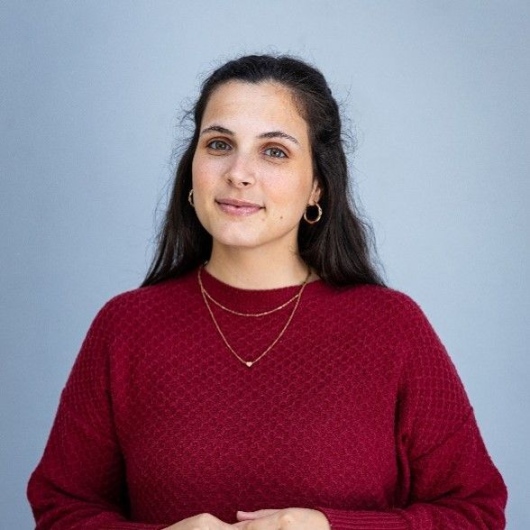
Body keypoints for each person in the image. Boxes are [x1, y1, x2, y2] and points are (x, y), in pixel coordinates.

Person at [28, 54, 507, 529]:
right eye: (219, 144)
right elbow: (61, 509)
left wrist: (332, 528)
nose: (239, 172)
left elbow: (476, 513)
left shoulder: (392, 327)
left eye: (274, 151)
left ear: (317, 185)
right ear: (192, 168)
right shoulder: (126, 327)